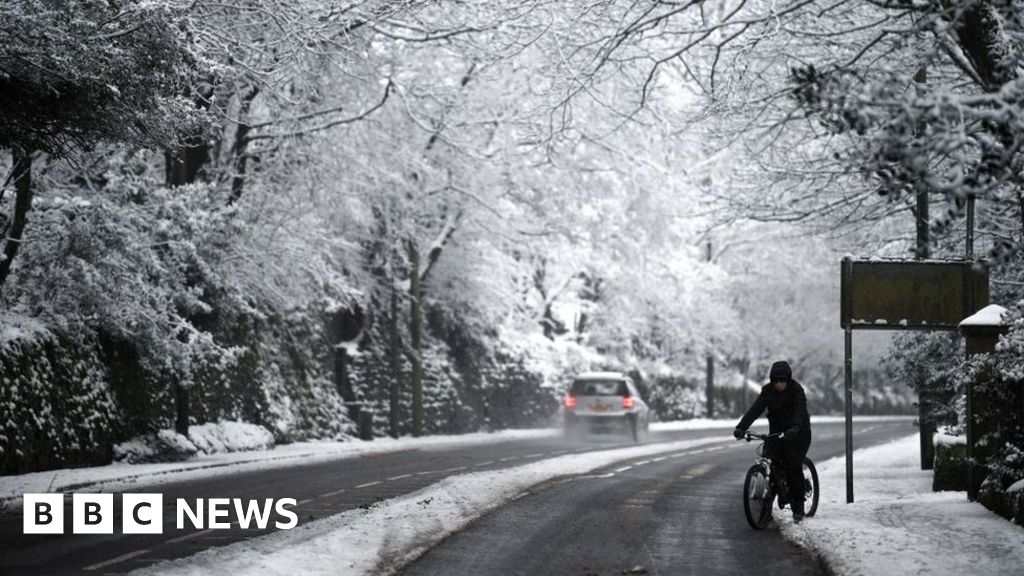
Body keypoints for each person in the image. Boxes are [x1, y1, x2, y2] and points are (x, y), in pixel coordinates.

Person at [733, 360, 812, 523]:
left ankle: (798, 506)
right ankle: (767, 509)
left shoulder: (797, 391)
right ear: (772, 380)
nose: (779, 384)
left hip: (798, 434)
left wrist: (795, 428)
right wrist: (741, 427)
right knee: (772, 464)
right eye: (776, 380)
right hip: (776, 434)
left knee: (792, 465)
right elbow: (755, 410)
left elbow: (799, 411)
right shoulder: (767, 391)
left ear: (788, 380)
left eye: (783, 380)